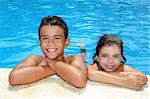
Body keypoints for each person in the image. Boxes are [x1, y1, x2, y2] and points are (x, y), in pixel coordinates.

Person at [9, 16, 87, 88]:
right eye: (45, 38)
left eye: (56, 38)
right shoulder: (35, 58)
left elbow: (80, 81)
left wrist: (51, 62)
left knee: (83, 55)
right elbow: (14, 78)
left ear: (66, 42)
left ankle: (82, 48)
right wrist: (55, 66)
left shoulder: (74, 58)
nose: (50, 43)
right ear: (40, 42)